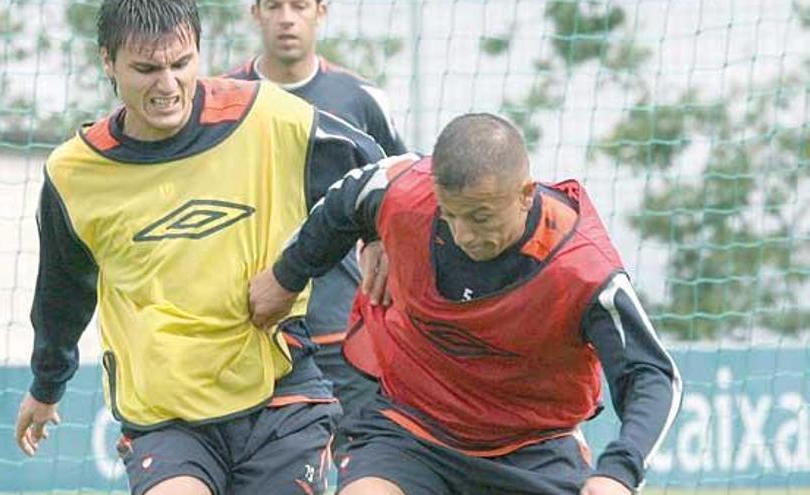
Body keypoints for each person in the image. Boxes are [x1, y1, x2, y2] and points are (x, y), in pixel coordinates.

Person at [12, 1, 384, 494]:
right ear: (109, 61)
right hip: (166, 418)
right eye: (146, 69)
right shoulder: (74, 174)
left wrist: (379, 236)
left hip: (280, 396)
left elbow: (376, 169)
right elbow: (62, 291)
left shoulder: (266, 116)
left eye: (181, 64)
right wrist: (46, 384)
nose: (167, 85)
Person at [249, 113, 683, 495]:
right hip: (413, 432)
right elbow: (346, 199)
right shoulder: (405, 191)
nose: (464, 234)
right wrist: (286, 278)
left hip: (533, 448)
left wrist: (619, 473)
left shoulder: (581, 269)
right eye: (450, 214)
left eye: (481, 217)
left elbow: (651, 375)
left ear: (526, 195)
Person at [227, 0, 407, 421]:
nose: (286, 17)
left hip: (340, 328)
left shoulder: (361, 100)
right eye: (273, 6)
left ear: (321, 11)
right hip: (250, 327)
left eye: (300, 5)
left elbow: (399, 188)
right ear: (255, 13)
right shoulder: (222, 98)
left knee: (363, 466)